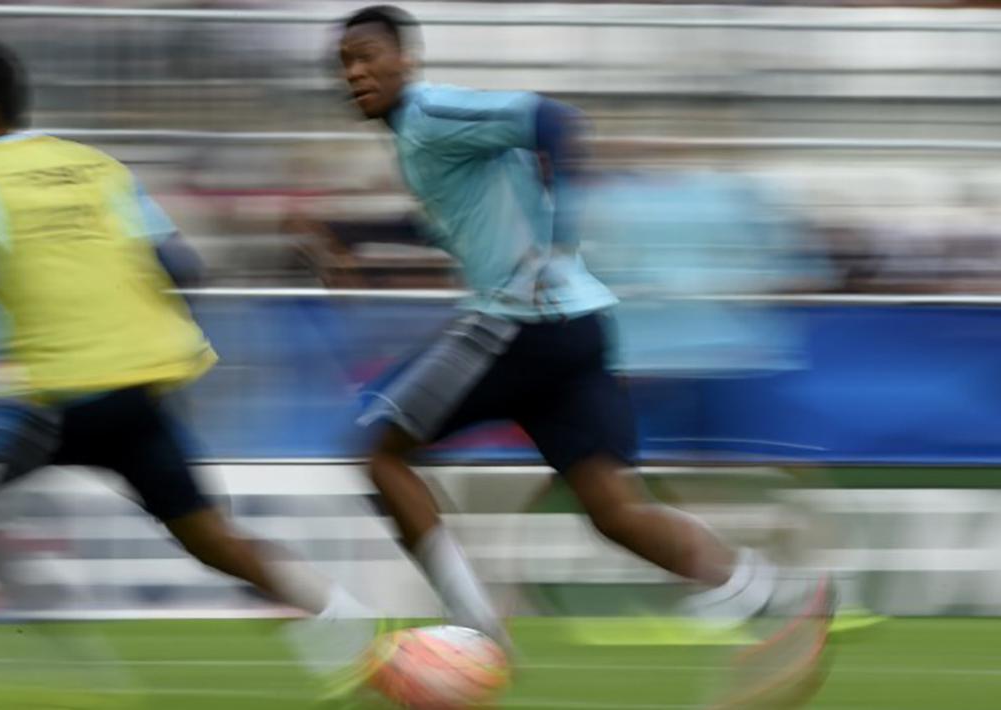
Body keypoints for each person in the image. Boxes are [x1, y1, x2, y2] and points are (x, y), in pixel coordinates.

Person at [0, 37, 372, 688]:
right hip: (144, 386)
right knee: (209, 540)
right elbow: (182, 266)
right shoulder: (95, 165)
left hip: (65, 390)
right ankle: (340, 614)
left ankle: (61, 669)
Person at [337, 6, 834, 653]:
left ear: (406, 58)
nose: (354, 72)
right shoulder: (420, 140)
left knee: (379, 455)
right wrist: (347, 237)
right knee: (613, 512)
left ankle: (476, 627)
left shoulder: (430, 114)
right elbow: (454, 219)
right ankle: (773, 592)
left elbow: (553, 119)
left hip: (520, 324)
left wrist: (562, 229)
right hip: (577, 329)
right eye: (345, 63)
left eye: (367, 56)